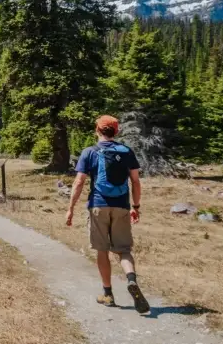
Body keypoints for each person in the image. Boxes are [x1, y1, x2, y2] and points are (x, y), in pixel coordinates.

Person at [65, 115, 150, 314]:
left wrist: (70, 208)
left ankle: (108, 294)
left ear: (97, 130)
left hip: (98, 205)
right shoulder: (127, 152)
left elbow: (79, 182)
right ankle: (131, 279)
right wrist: (136, 206)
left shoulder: (90, 152)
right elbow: (135, 182)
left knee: (102, 250)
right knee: (124, 250)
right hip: (121, 206)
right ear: (116, 131)